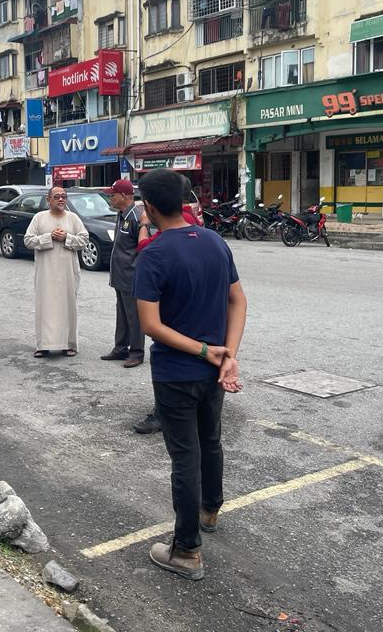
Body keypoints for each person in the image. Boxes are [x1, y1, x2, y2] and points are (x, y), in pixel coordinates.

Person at [134, 169, 247, 581]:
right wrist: (227, 355)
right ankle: (209, 511)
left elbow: (150, 324)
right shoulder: (215, 241)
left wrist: (205, 350)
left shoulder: (154, 254)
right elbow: (238, 301)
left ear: (147, 207)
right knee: (210, 440)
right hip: (213, 369)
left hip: (177, 372)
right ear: (183, 203)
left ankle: (186, 550)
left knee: (185, 455)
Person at [130, 203, 201, 435]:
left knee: (173, 355)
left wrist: (143, 225)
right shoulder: (200, 229)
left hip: (174, 307)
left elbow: (143, 248)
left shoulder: (166, 233)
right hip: (201, 302)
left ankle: (163, 413)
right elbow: (237, 299)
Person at [24, 186, 89, 358]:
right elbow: (28, 240)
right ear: (48, 199)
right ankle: (43, 345)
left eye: (63, 196)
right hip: (46, 272)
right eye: (57, 196)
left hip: (67, 271)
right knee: (45, 306)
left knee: (68, 306)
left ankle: (69, 344)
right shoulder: (39, 218)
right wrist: (49, 237)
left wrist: (66, 238)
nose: (61, 199)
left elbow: (84, 240)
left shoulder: (73, 218)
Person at [101, 179, 145, 369]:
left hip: (132, 275)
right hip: (120, 275)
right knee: (123, 314)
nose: (110, 198)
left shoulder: (137, 217)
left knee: (134, 316)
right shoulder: (122, 214)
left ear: (125, 196)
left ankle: (136, 352)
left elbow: (144, 247)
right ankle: (120, 347)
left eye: (113, 195)